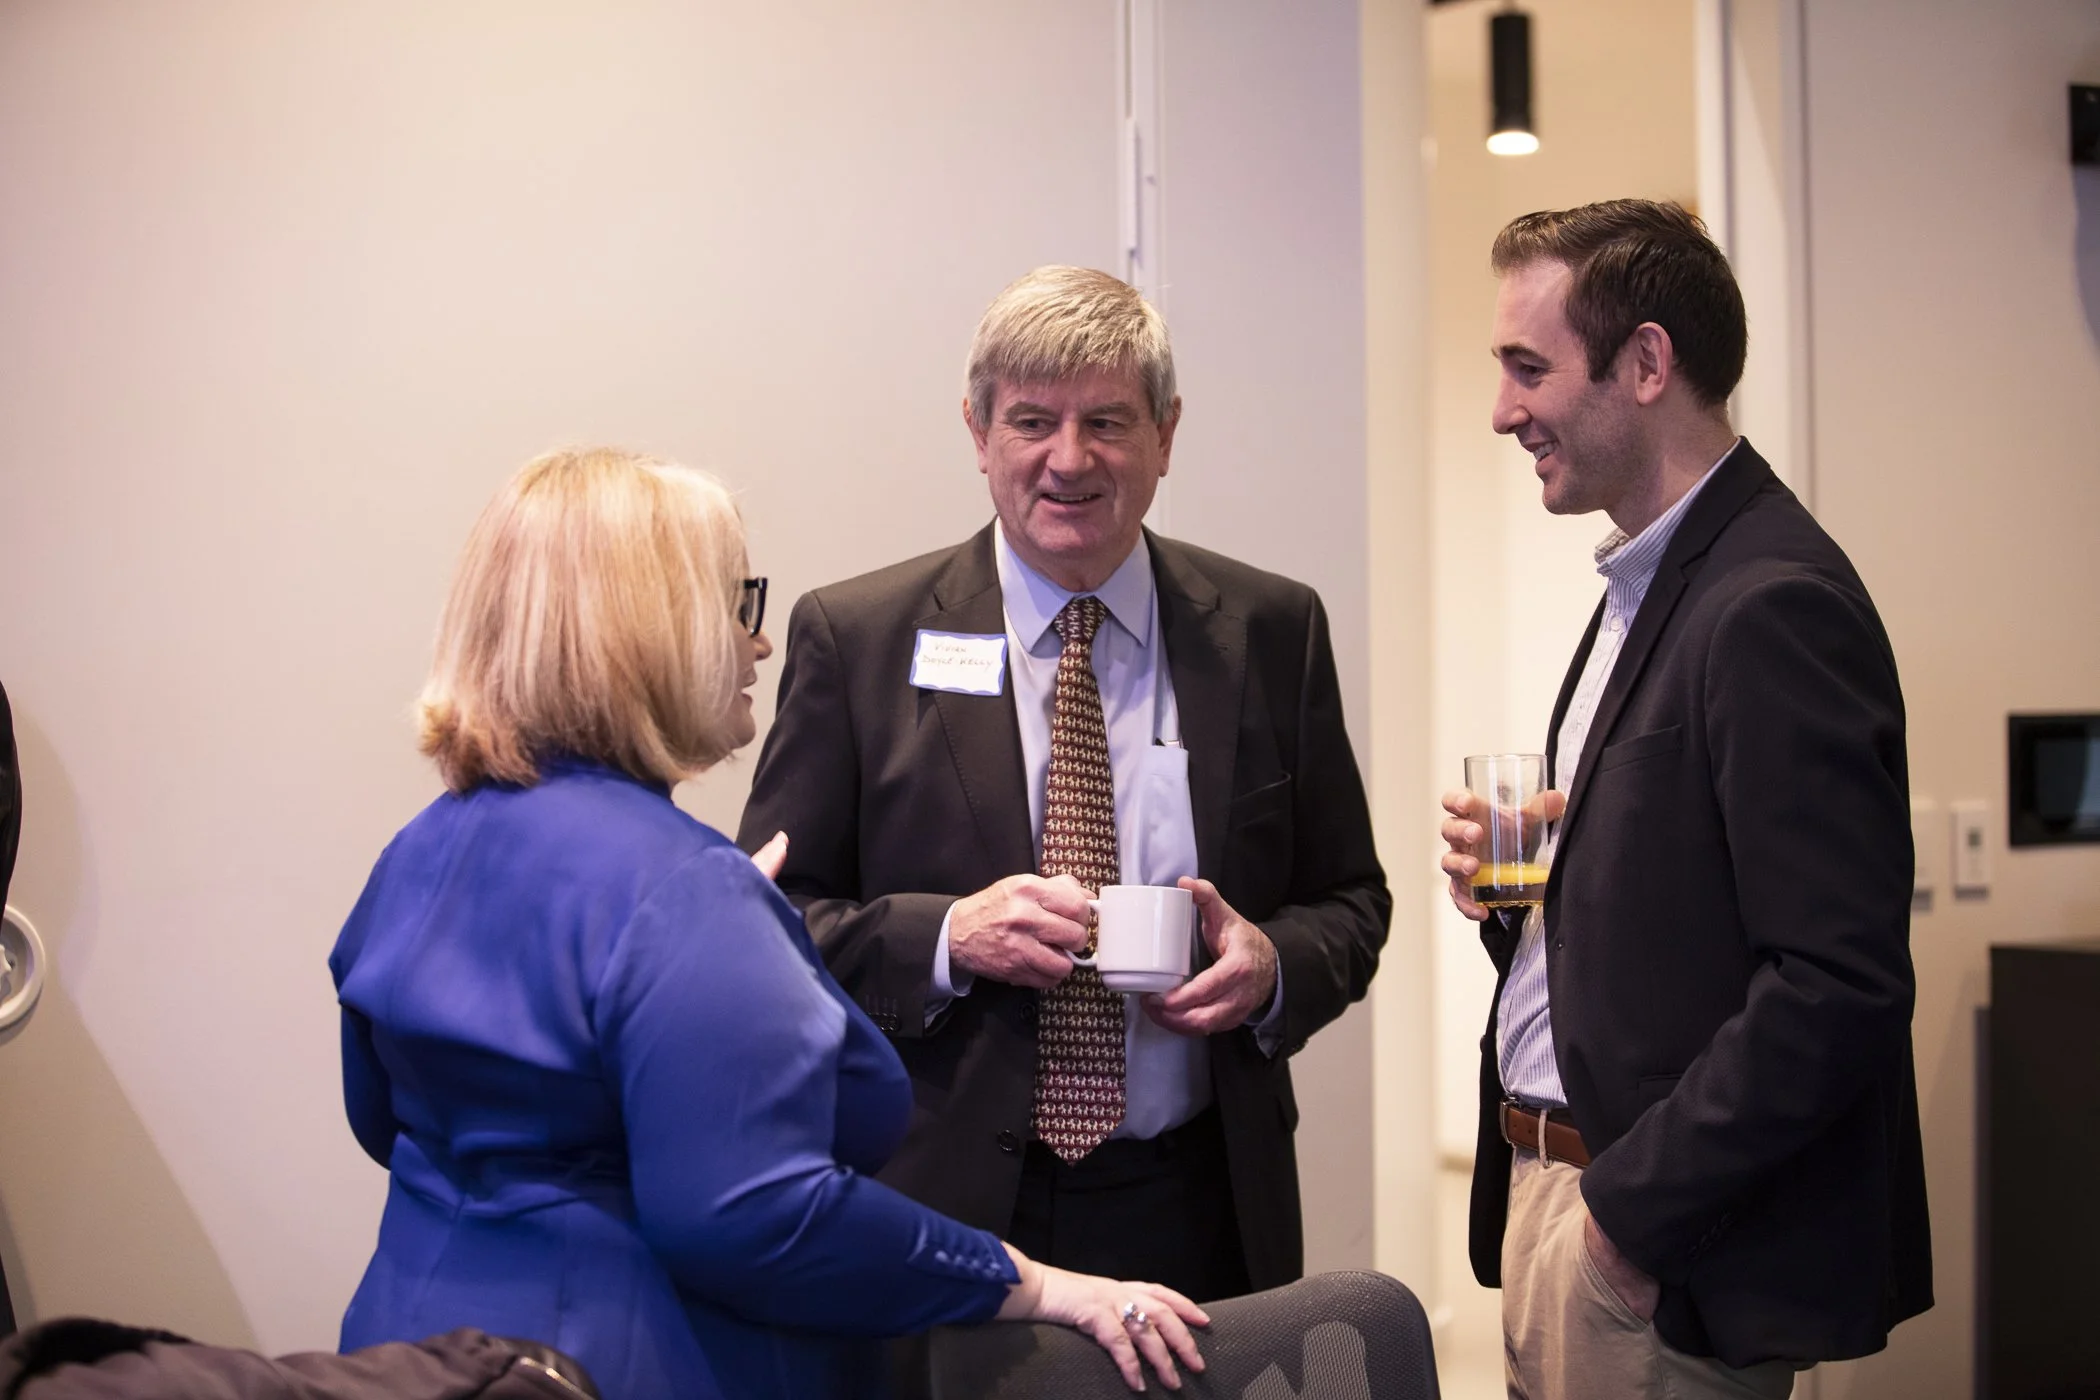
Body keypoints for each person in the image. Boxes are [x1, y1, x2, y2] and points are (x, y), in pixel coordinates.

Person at [330, 449, 1208, 1400]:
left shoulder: (418, 852)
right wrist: (1031, 1281)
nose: (758, 644)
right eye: (736, 601)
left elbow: (388, 1122)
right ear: (648, 632)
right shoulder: (681, 895)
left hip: (412, 1356)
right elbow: (764, 1221)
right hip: (619, 1367)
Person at [737, 267, 1390, 1307]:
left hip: (1200, 1203)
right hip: (941, 1209)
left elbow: (1353, 902)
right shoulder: (859, 637)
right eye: (1033, 420)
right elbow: (766, 925)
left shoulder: (1270, 631)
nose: (1069, 459)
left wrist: (1270, 968)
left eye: (1109, 422)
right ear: (978, 430)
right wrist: (948, 937)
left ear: (1168, 435)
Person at [1438, 201, 1932, 1399]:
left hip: (1651, 1245)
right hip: (1553, 1197)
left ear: (1647, 363)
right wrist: (1536, 896)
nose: (1503, 410)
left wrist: (1621, 1221)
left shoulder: (1770, 599)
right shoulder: (1646, 580)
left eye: (1528, 368)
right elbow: (1688, 903)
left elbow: (1836, 979)